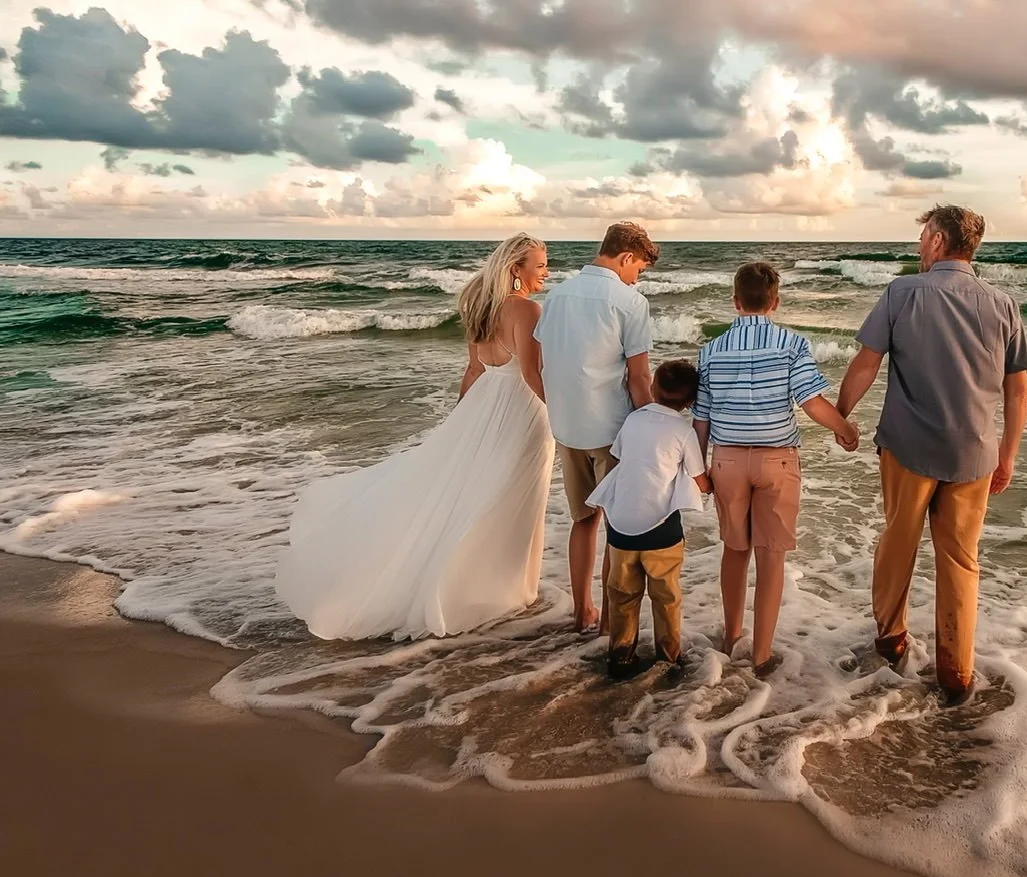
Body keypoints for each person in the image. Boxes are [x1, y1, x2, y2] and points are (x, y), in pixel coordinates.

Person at [273, 235, 555, 640]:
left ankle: (483, 585)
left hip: (482, 408)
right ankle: (500, 591)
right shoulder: (527, 310)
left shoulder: (480, 305)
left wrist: (461, 420)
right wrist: (564, 417)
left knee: (484, 496)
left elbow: (474, 371)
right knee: (513, 498)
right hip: (521, 411)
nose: (546, 271)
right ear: (516, 269)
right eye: (540, 265)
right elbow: (532, 374)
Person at [836, 206, 1027, 705]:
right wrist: (1007, 455)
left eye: (924, 236)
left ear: (940, 241)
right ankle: (955, 672)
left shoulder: (902, 293)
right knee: (962, 561)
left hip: (908, 446)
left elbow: (866, 363)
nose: (920, 244)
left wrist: (841, 415)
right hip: (974, 452)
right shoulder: (1003, 304)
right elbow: (1018, 391)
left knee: (898, 543)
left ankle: (891, 639)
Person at [693, 261, 858, 674]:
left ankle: (732, 639)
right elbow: (810, 401)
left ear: (735, 302)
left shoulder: (711, 351)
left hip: (727, 459)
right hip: (776, 460)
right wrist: (845, 429)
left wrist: (699, 469)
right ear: (775, 302)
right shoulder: (791, 343)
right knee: (771, 559)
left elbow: (702, 418)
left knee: (734, 550)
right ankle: (762, 654)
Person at [535, 222, 659, 633]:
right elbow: (640, 379)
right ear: (625, 258)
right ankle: (609, 621)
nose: (636, 276)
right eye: (638, 268)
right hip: (611, 429)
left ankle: (580, 611)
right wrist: (655, 426)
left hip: (567, 426)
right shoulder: (629, 302)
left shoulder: (557, 296)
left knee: (582, 520)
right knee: (617, 528)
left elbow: (545, 359)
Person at [586, 359, 709, 678]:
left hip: (620, 529)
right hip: (660, 531)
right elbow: (699, 478)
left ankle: (621, 656)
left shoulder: (633, 420)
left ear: (652, 387)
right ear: (690, 402)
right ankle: (668, 658)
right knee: (665, 595)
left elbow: (619, 456)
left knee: (622, 595)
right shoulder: (683, 431)